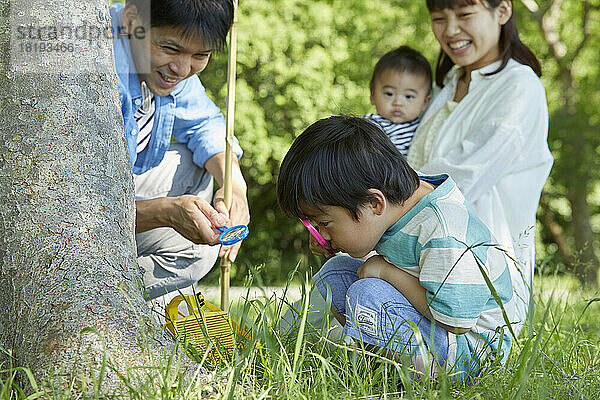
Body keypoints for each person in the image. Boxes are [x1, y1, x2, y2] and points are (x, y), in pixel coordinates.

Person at [277, 116, 518, 382]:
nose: (320, 233)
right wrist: (332, 239)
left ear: (374, 203)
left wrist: (385, 272)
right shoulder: (395, 207)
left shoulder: (442, 229)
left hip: (473, 353)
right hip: (442, 332)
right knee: (334, 273)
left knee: (367, 292)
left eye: (323, 223)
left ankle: (428, 380)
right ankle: (379, 362)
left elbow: (456, 319)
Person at [407, 0, 553, 330]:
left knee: (366, 292)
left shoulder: (519, 86)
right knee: (341, 279)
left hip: (477, 282)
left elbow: (454, 180)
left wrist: (364, 205)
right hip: (419, 257)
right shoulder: (446, 86)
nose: (451, 29)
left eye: (465, 14)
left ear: (502, 11)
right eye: (439, 18)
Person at [109, 0, 250, 308]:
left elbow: (205, 125)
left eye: (201, 55)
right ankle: (103, 299)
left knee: (204, 170)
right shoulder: (102, 68)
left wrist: (235, 186)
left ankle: (146, 302)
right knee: (197, 247)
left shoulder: (162, 67)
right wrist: (165, 212)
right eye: (171, 49)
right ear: (133, 20)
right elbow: (77, 206)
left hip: (124, 203)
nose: (183, 69)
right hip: (82, 220)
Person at [365, 46, 432, 156]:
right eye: (389, 94)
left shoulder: (423, 128)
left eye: (409, 96)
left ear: (425, 102)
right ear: (373, 95)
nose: (398, 103)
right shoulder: (373, 126)